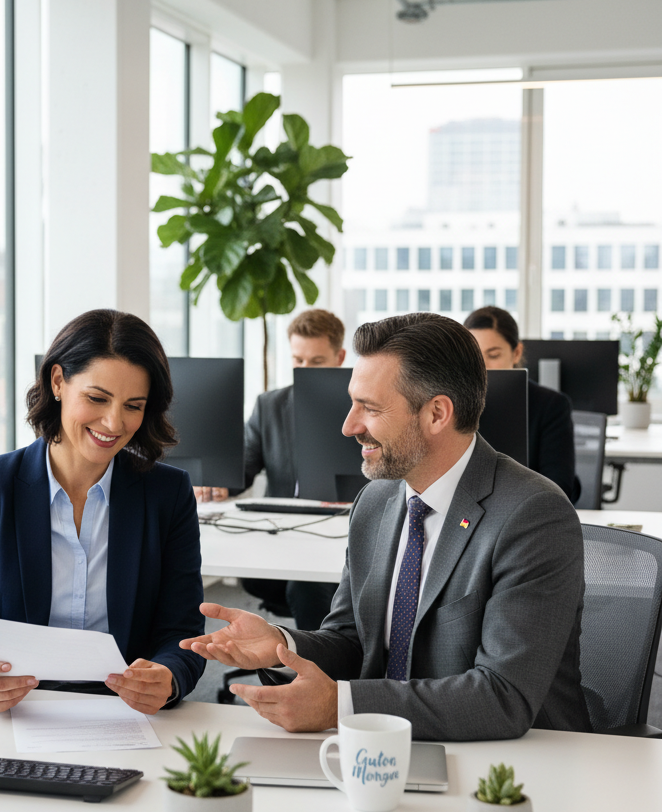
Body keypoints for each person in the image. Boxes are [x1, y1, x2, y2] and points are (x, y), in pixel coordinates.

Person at [181, 312, 591, 742]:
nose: (349, 426)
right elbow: (352, 639)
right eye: (353, 402)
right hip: (386, 748)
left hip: (516, 766)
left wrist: (340, 706)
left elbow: (502, 697)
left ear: (436, 414)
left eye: (370, 408)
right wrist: (283, 644)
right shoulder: (377, 501)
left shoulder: (533, 515)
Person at [0, 309, 206, 714]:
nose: (114, 422)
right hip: (19, 710)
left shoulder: (168, 494)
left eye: (133, 405)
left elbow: (182, 633)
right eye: (97, 398)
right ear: (58, 381)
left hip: (123, 714)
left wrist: (168, 677)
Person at [196, 308, 346, 630]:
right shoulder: (270, 405)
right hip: (281, 537)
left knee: (307, 586)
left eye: (316, 362)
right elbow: (245, 467)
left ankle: (316, 668)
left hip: (339, 537)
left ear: (340, 356)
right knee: (302, 586)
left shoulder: (362, 410)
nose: (304, 370)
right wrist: (221, 482)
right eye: (298, 360)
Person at [465, 305, 578, 502]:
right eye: (473, 355)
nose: (481, 366)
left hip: (526, 512)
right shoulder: (450, 404)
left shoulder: (551, 405)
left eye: (493, 355)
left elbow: (559, 487)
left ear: (516, 353)